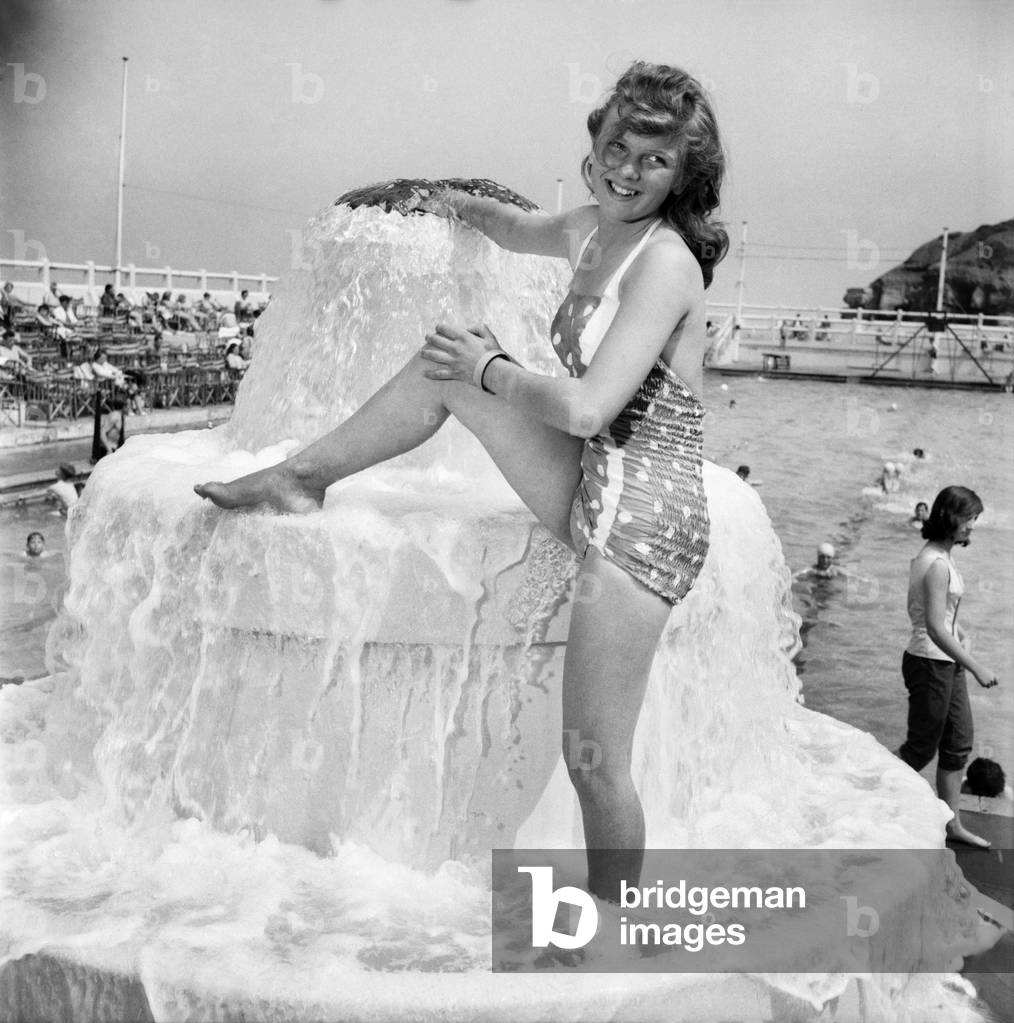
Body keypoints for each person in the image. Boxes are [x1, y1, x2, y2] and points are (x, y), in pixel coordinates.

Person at [196, 61, 727, 900]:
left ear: (683, 176)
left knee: (594, 762)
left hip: (645, 525)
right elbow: (512, 228)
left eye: (653, 161)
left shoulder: (664, 265)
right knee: (446, 364)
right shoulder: (593, 228)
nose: (627, 170)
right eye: (617, 146)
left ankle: (621, 919)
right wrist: (441, 201)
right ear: (596, 141)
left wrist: (495, 372)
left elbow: (589, 408)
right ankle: (302, 478)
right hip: (598, 485)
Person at [897, 486, 999, 848]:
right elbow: (934, 628)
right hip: (930, 662)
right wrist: (976, 667)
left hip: (944, 659)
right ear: (950, 518)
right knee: (920, 749)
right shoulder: (937, 563)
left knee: (958, 743)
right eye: (970, 518)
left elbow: (939, 617)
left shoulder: (940, 556)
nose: (973, 526)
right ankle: (870, 803)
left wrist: (963, 634)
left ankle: (951, 825)